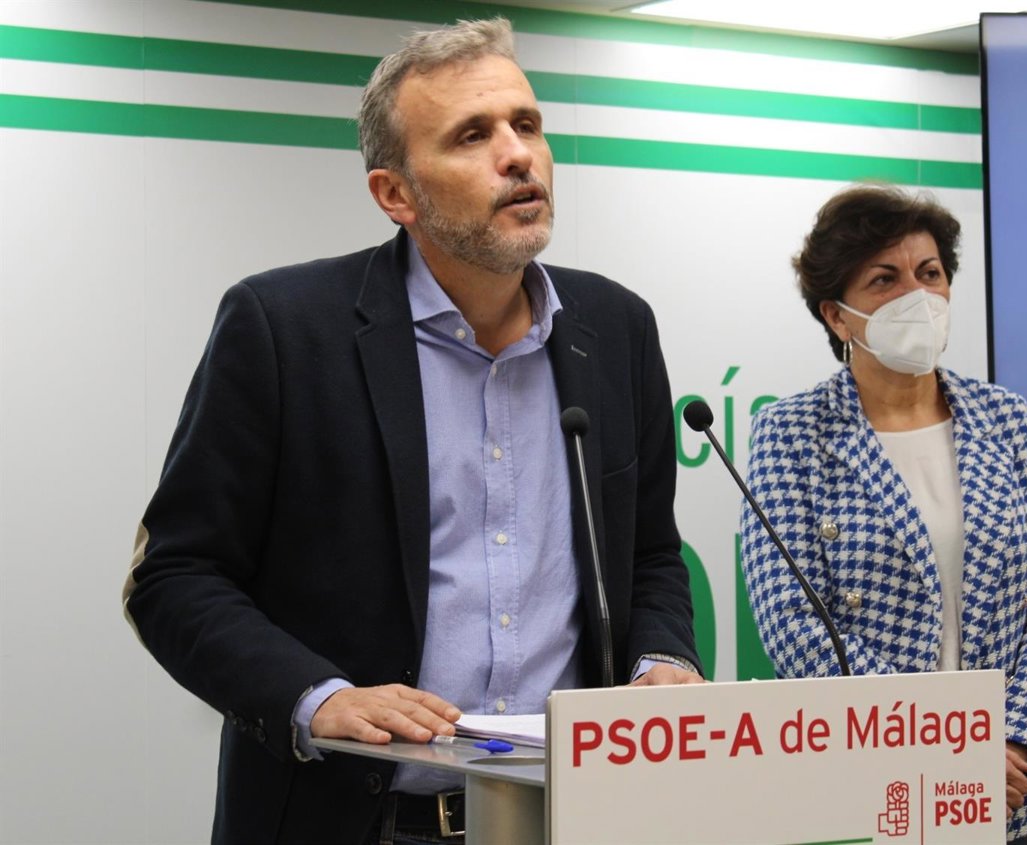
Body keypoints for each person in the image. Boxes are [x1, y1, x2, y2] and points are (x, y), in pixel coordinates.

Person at [123, 18, 702, 845]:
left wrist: (662, 661)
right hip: (354, 820)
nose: (518, 155)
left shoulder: (615, 327)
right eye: (473, 135)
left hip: (568, 818)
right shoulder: (283, 328)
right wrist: (318, 697)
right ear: (395, 194)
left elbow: (648, 555)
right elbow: (175, 575)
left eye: (526, 124)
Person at [740, 184, 1027, 844]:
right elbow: (793, 623)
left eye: (930, 273)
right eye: (885, 279)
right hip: (869, 782)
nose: (917, 296)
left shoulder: (1007, 419)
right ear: (837, 316)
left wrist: (1012, 741)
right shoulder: (790, 434)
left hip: (1005, 787)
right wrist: (943, 746)